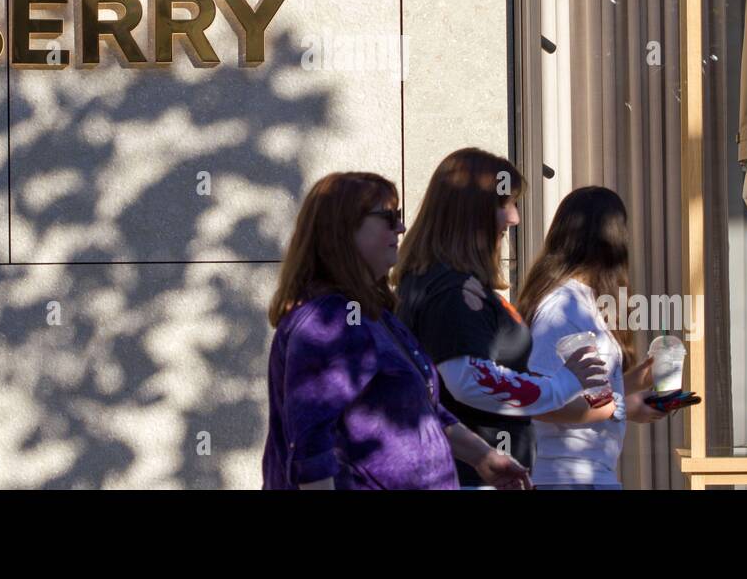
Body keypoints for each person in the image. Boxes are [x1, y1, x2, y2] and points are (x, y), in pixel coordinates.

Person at [262, 171, 533, 489]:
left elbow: (426, 409)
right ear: (343, 230)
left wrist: (482, 456)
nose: (401, 227)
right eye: (388, 218)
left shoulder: (377, 316)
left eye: (400, 216)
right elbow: (311, 447)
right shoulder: (330, 319)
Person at [392, 149, 611, 488]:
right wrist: (563, 383)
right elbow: (471, 381)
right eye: (504, 204)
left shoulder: (444, 281)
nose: (514, 218)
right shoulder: (452, 288)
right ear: (469, 214)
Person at [516, 187, 667, 488]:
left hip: (586, 474)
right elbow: (536, 400)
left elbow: (585, 388)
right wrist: (619, 406)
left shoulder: (584, 303)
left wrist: (639, 379)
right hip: (566, 476)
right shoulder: (562, 308)